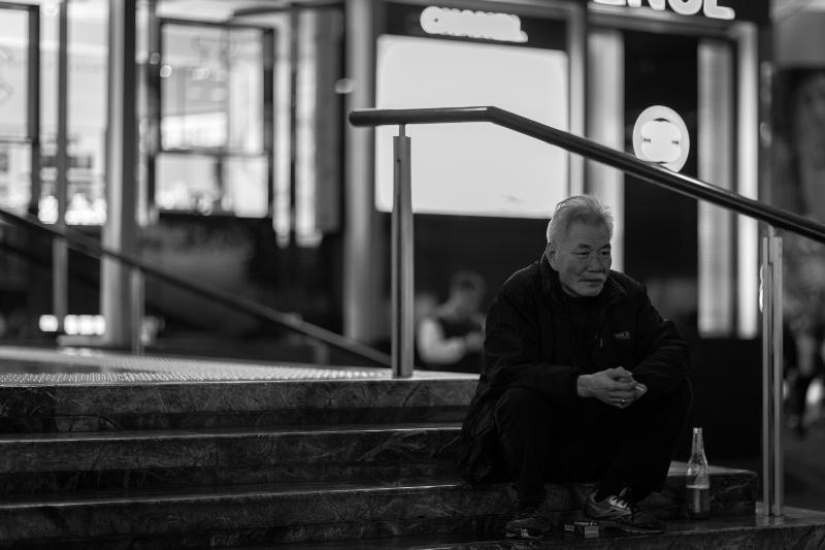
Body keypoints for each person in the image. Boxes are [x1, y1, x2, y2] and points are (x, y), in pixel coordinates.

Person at [456, 194, 692, 539]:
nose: (596, 266)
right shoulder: (519, 292)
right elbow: (506, 371)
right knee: (519, 398)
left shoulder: (627, 293)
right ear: (553, 255)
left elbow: (673, 348)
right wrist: (583, 384)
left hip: (598, 438)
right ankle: (531, 506)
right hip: (530, 444)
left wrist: (637, 384)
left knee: (673, 388)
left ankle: (612, 496)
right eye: (583, 253)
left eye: (604, 252)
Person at [417, 271, 486, 373]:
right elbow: (429, 354)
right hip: (443, 380)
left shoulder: (479, 321)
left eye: (476, 299)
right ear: (455, 293)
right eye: (468, 298)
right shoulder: (433, 320)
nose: (472, 304)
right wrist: (465, 344)